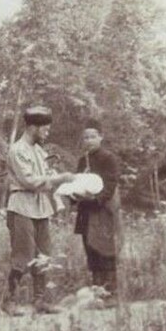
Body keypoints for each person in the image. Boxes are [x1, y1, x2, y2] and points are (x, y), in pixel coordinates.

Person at [3, 105, 74, 316]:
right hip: (22, 206)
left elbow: (47, 179)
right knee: (23, 257)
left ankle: (40, 301)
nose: (47, 132)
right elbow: (30, 181)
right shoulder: (17, 150)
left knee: (44, 256)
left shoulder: (39, 150)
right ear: (34, 127)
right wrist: (59, 178)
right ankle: (8, 301)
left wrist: (65, 183)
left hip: (41, 207)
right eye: (45, 129)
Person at [73, 121, 122, 306]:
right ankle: (97, 294)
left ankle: (111, 294)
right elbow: (76, 182)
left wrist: (96, 199)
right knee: (91, 250)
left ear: (101, 137)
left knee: (105, 250)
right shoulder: (82, 160)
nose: (89, 140)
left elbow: (111, 184)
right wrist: (73, 195)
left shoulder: (108, 158)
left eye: (93, 136)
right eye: (85, 137)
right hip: (85, 212)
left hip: (102, 212)